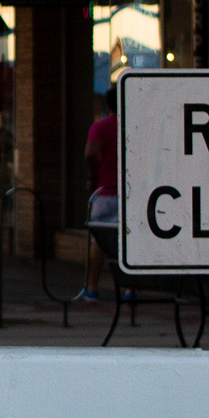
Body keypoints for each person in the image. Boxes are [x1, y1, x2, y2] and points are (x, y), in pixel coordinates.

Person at [78, 104, 119, 303]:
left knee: (98, 242)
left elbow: (90, 153)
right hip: (128, 194)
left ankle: (92, 287)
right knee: (127, 244)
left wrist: (92, 175)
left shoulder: (100, 127)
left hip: (104, 191)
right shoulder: (134, 126)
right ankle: (130, 290)